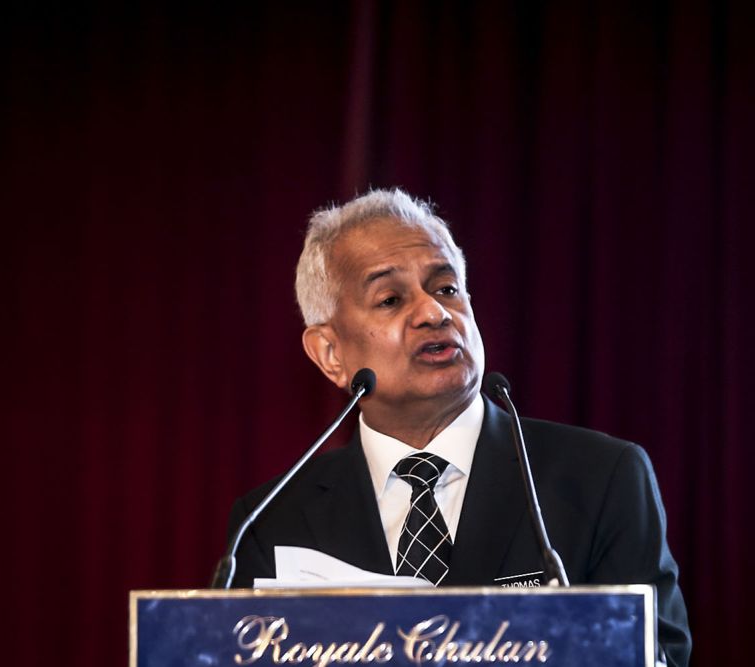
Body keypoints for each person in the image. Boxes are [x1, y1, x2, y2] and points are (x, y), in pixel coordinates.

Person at [226, 188, 691, 666]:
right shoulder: (270, 521)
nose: (434, 312)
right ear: (330, 352)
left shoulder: (599, 478)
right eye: (390, 299)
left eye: (446, 288)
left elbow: (660, 657)